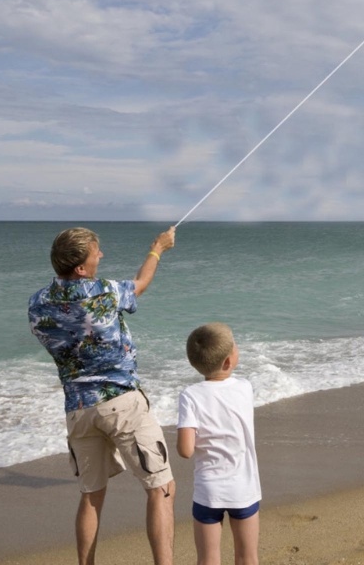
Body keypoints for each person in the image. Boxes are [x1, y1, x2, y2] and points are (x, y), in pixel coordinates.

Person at [28, 225, 177, 565]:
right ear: (81, 267)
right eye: (97, 253)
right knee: (161, 488)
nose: (102, 256)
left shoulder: (37, 303)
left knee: (91, 496)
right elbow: (140, 284)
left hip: (78, 410)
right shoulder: (104, 292)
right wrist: (157, 249)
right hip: (121, 402)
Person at [177, 322, 262, 565]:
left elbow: (185, 450)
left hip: (209, 490)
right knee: (247, 557)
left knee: (207, 559)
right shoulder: (245, 388)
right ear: (228, 361)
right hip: (243, 488)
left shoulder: (190, 395)